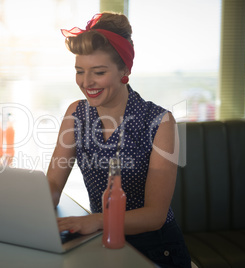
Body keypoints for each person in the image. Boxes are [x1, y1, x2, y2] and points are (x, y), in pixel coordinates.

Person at [47, 12, 192, 268]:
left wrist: (97, 220)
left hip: (155, 250)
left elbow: (155, 216)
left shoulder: (160, 122)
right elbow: (53, 186)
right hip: (101, 242)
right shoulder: (75, 113)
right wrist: (23, 209)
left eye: (98, 72)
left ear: (125, 69)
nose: (86, 82)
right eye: (80, 71)